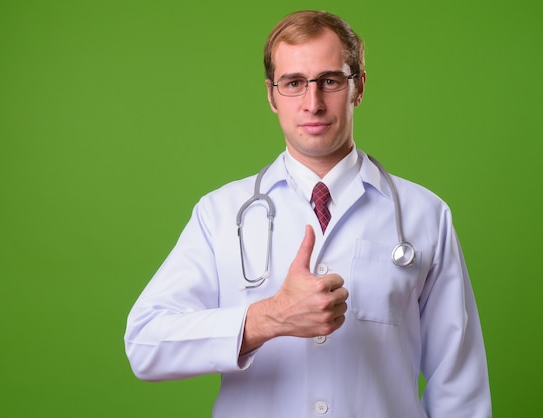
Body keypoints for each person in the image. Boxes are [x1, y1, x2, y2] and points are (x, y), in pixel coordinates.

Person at [125, 10, 491, 418]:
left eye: (329, 81)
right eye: (294, 83)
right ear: (271, 95)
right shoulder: (220, 213)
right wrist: (268, 319)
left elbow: (459, 385)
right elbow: (145, 344)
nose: (312, 103)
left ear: (359, 87)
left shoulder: (425, 215)